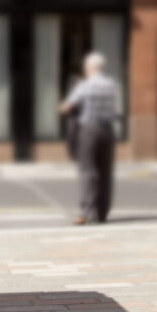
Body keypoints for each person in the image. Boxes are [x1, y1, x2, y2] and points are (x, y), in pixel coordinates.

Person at [59, 52, 118, 225]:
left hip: (89, 130)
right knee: (105, 172)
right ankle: (102, 212)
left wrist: (63, 105)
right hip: (107, 130)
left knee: (88, 171)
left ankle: (86, 211)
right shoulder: (111, 85)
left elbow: (67, 107)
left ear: (89, 68)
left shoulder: (84, 86)